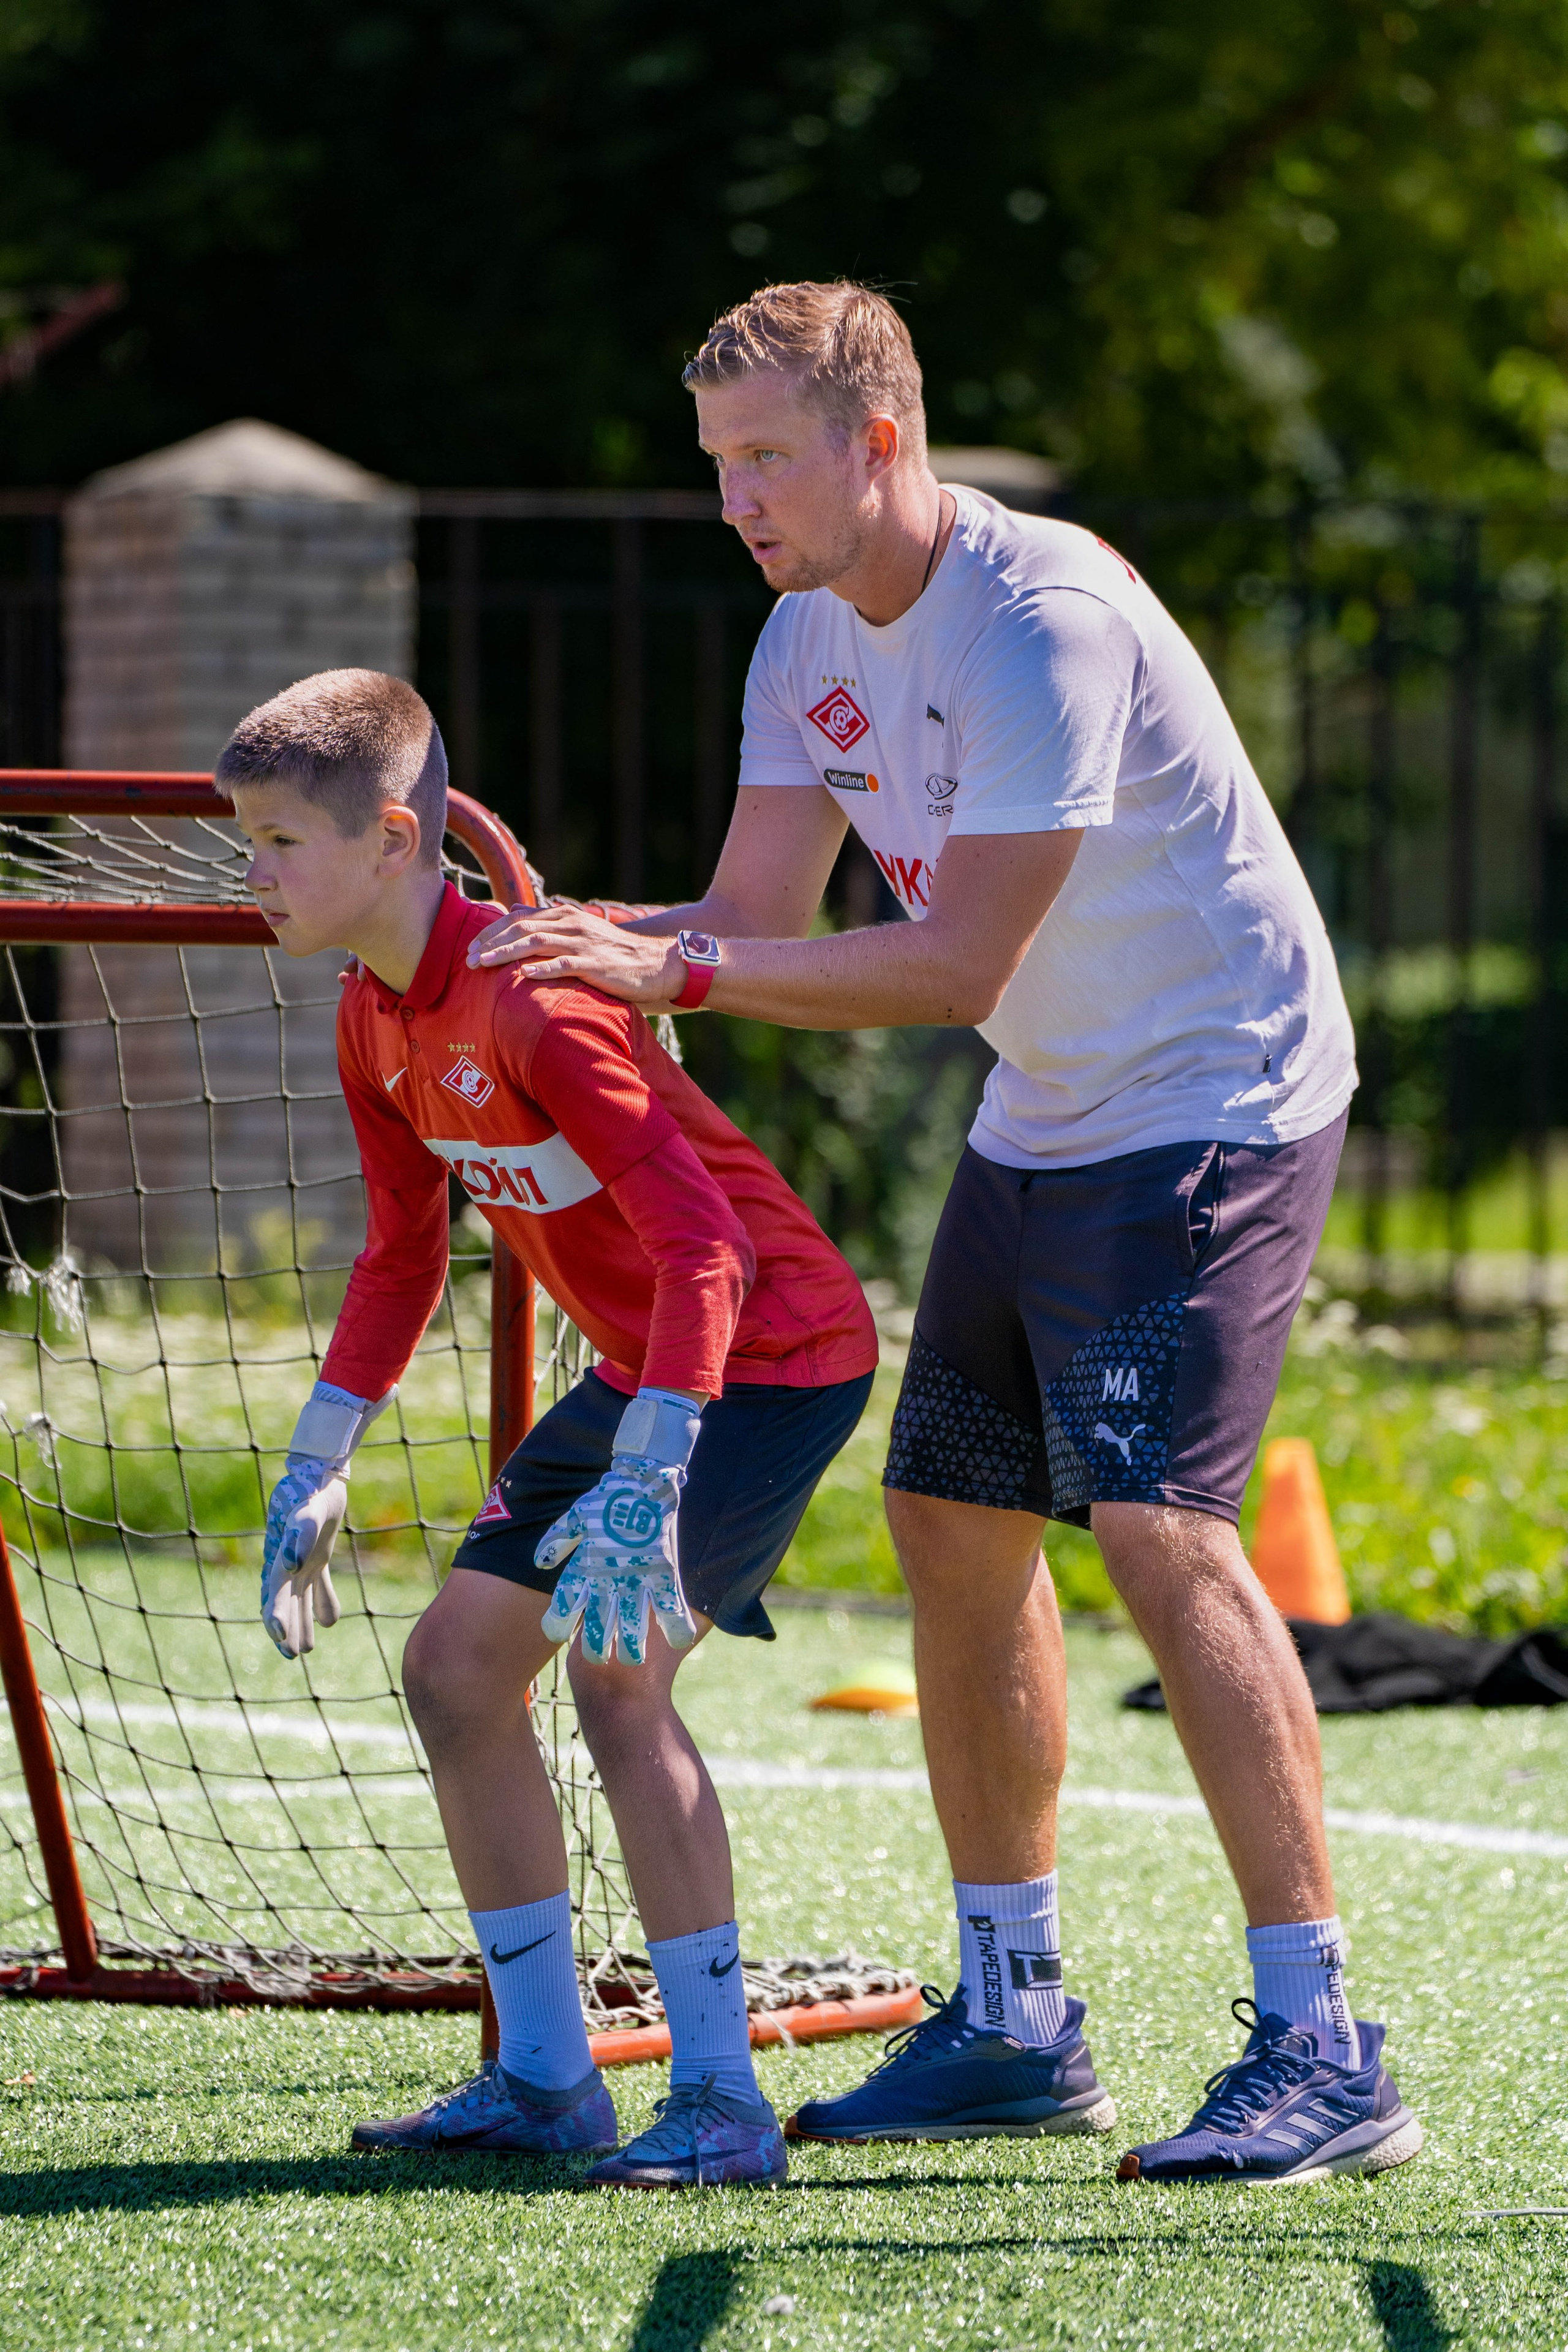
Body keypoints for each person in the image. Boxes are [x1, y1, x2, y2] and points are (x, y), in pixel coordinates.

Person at [465, 281, 1425, 2186]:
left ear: (880, 439)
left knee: (1161, 1525)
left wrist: (685, 968)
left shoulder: (1038, 619)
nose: (733, 499)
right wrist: (565, 951)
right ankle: (1015, 2019)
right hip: (1048, 1102)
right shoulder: (801, 630)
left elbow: (946, 956)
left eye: (764, 459)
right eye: (716, 462)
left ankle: (1325, 2048)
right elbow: (750, 906)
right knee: (951, 1521)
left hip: (1215, 1091)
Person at [219, 666, 878, 2190]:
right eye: (241, 841)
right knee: (453, 1674)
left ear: (395, 842)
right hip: (649, 1364)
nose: (250, 875)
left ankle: (721, 2107)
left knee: (614, 1671)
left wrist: (647, 1473)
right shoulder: (369, 1012)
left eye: (276, 844)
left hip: (767, 1359)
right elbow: (400, 1255)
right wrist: (317, 1458)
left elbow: (711, 1252)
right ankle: (541, 2078)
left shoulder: (533, 1000)